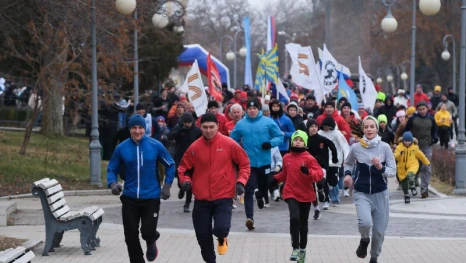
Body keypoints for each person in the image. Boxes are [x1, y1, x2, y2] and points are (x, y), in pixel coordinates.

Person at [177, 113, 250, 263]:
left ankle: (222, 238)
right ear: (200, 127)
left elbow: (244, 164)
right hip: (201, 199)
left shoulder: (229, 144)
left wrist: (240, 182)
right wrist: (185, 181)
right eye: (205, 127)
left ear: (218, 126)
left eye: (212, 127)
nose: (208, 130)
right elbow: (183, 168)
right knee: (203, 237)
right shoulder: (195, 147)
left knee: (221, 229)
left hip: (223, 196)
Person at [107, 114, 175, 263]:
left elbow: (170, 165)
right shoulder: (122, 148)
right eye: (134, 128)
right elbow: (111, 169)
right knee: (130, 235)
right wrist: (112, 184)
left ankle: (151, 240)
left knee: (147, 232)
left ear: (145, 129)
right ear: (129, 129)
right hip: (130, 197)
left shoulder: (155, 145)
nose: (137, 131)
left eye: (140, 128)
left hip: (151, 197)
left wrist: (167, 186)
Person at [343, 116, 396, 263]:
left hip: (380, 193)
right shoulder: (356, 147)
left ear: (377, 128)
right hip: (362, 192)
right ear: (363, 129)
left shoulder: (385, 147)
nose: (369, 129)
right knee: (365, 223)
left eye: (372, 126)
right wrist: (348, 176)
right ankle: (364, 240)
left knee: (379, 232)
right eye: (366, 127)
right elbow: (347, 164)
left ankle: (374, 257)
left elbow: (392, 171)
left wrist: (380, 167)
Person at [270, 130, 324, 263]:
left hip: (306, 194)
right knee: (294, 218)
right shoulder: (287, 157)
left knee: (303, 223)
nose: (297, 142)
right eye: (296, 139)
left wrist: (309, 171)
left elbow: (319, 174)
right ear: (292, 141)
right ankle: (295, 247)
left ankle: (302, 250)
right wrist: (275, 180)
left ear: (305, 142)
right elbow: (285, 174)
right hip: (290, 192)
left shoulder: (309, 158)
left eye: (300, 140)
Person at [230, 99, 284, 230]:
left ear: (259, 109)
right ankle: (250, 218)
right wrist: (239, 149)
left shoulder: (268, 122)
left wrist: (270, 144)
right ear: (246, 110)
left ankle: (260, 196)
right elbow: (233, 140)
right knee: (248, 190)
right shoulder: (241, 124)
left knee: (264, 188)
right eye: (249, 109)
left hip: (265, 162)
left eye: (254, 108)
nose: (252, 111)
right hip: (249, 163)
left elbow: (279, 136)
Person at [168, 113, 202, 212]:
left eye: (189, 123)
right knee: (180, 179)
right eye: (185, 123)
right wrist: (179, 130)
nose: (187, 125)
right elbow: (170, 136)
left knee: (189, 181)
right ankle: (181, 188)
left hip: (193, 159)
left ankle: (187, 203)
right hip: (180, 158)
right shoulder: (179, 129)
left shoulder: (197, 131)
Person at [405, 100, 438, 198]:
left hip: (427, 146)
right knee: (416, 167)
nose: (422, 111)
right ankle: (413, 181)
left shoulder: (431, 119)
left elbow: (434, 130)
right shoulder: (412, 119)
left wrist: (435, 137)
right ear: (417, 110)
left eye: (423, 109)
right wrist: (408, 140)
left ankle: (424, 188)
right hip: (414, 147)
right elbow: (406, 131)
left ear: (427, 109)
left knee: (426, 167)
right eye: (420, 109)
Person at [306, 119, 338, 219]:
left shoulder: (321, 139)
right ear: (308, 128)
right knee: (311, 188)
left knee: (322, 182)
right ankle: (316, 209)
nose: (314, 128)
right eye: (311, 126)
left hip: (322, 165)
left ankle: (324, 196)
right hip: (309, 167)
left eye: (315, 126)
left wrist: (334, 157)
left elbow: (332, 146)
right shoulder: (305, 139)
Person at [318, 117, 349, 207]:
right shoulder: (320, 133)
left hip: (335, 161)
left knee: (333, 181)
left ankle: (335, 196)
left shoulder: (337, 134)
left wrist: (346, 158)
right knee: (324, 180)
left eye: (327, 126)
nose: (326, 128)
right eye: (324, 126)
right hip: (324, 161)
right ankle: (327, 199)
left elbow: (345, 146)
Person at [394, 131, 430, 203]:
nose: (407, 142)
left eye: (409, 141)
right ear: (403, 140)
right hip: (402, 168)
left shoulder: (415, 148)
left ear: (411, 141)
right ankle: (406, 195)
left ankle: (413, 187)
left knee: (410, 174)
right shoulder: (399, 147)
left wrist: (427, 162)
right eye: (405, 141)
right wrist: (399, 154)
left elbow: (421, 155)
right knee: (404, 184)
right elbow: (395, 156)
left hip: (412, 165)